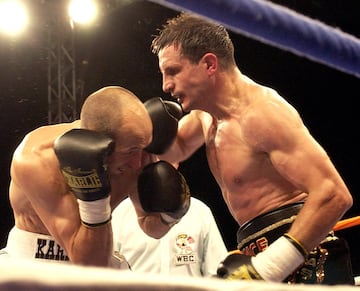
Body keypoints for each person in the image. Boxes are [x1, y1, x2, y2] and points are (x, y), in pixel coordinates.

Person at [150, 12, 354, 284]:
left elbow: (334, 194)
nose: (166, 85)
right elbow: (168, 152)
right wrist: (135, 129)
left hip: (306, 253)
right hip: (258, 252)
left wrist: (273, 265)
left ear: (209, 64)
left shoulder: (262, 114)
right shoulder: (205, 116)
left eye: (173, 71)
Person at [0, 86, 190, 268]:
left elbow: (151, 227)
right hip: (34, 258)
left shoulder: (138, 148)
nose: (139, 162)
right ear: (102, 145)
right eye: (131, 151)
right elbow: (90, 264)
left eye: (143, 148)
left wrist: (170, 213)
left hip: (99, 251)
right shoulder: (38, 159)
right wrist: (95, 198)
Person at [112, 196, 228, 277]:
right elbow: (107, 274)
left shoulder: (199, 212)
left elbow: (217, 272)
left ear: (177, 161)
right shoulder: (120, 213)